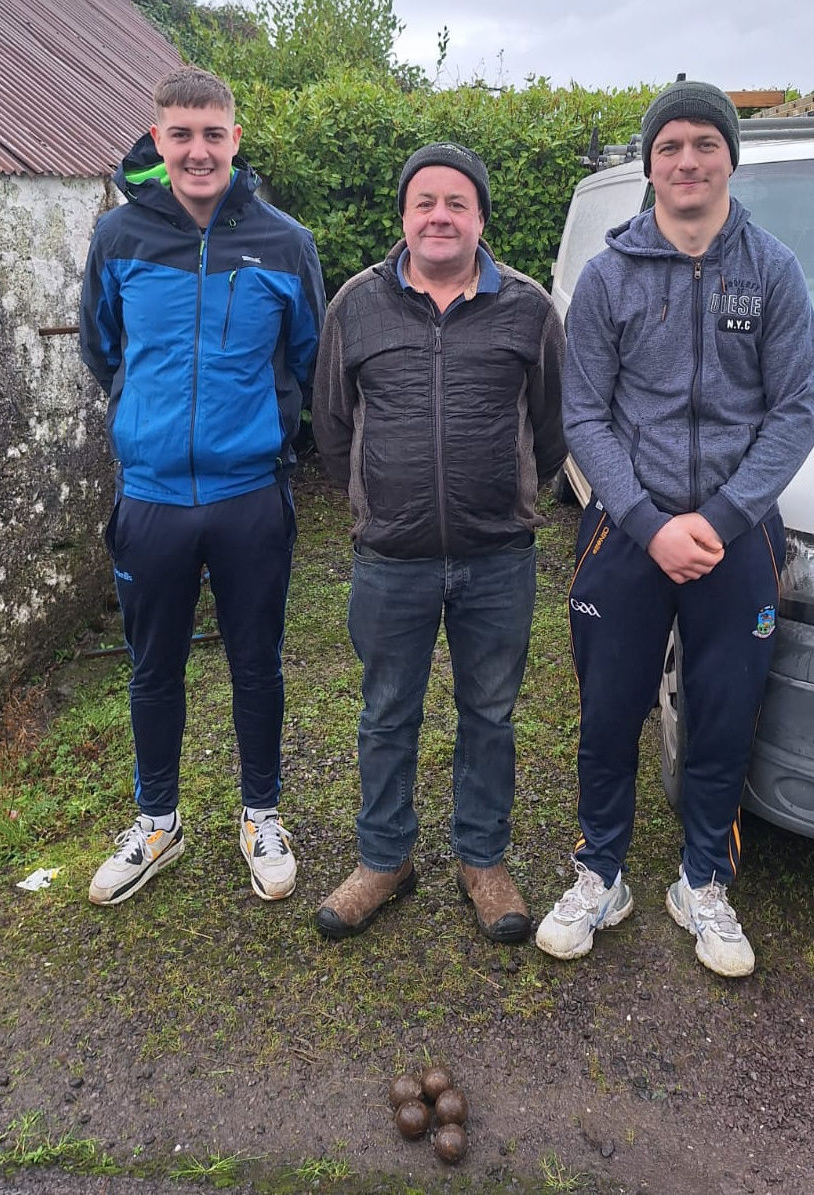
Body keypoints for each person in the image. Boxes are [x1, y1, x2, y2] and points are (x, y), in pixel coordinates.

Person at [535, 80, 814, 976]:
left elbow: (795, 410)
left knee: (724, 712)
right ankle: (600, 870)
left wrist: (724, 515)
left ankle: (703, 880)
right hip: (625, 534)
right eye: (670, 146)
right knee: (609, 707)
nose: (687, 160)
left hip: (738, 534)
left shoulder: (771, 270)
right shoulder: (608, 275)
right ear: (648, 163)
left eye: (704, 143)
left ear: (729, 156)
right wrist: (650, 522)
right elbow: (582, 416)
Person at [80, 67, 325, 906]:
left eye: (211, 134)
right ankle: (158, 822)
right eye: (179, 134)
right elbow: (103, 349)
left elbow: (304, 360)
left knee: (256, 663)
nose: (196, 151)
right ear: (157, 137)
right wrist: (149, 422)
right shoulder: (118, 238)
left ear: (235, 139)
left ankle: (260, 813)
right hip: (150, 496)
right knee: (153, 667)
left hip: (249, 494)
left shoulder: (286, 243)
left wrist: (257, 437)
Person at [311, 142, 566, 943]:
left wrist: (508, 492)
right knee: (386, 713)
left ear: (480, 217)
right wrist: (376, 498)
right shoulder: (356, 306)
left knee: (488, 712)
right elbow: (332, 424)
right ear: (404, 217)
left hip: (498, 556)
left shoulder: (528, 308)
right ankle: (384, 859)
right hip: (391, 555)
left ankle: (482, 859)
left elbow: (552, 428)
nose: (439, 216)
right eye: (424, 202)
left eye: (456, 202)